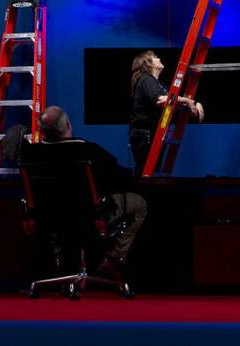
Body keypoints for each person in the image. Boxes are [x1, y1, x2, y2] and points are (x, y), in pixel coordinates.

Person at [22, 106, 148, 281]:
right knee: (140, 203)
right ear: (67, 124)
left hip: (47, 221)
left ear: (42, 130)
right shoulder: (87, 150)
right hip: (87, 220)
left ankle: (58, 264)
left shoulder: (30, 154)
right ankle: (113, 261)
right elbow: (119, 175)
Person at [128, 50, 203, 177]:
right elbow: (160, 100)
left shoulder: (158, 84)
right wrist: (188, 101)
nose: (159, 58)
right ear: (148, 63)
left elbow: (171, 102)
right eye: (155, 57)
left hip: (153, 133)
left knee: (150, 173)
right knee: (144, 173)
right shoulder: (146, 79)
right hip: (144, 134)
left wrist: (194, 103)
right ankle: (139, 196)